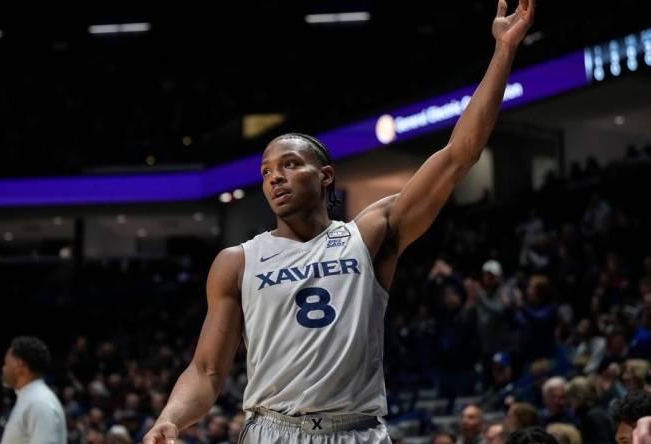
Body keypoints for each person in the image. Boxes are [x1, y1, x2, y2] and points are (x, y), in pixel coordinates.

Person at [144, 1, 536, 442]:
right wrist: (171, 418)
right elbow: (206, 369)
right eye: (267, 171)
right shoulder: (236, 262)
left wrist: (503, 51)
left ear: (325, 175)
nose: (275, 176)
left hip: (357, 429)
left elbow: (457, 156)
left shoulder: (369, 235)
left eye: (290, 164)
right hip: (273, 428)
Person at [0, 336, 67, 444]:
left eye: (6, 363)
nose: (3, 368)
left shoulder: (39, 403)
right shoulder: (30, 398)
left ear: (20, 365)